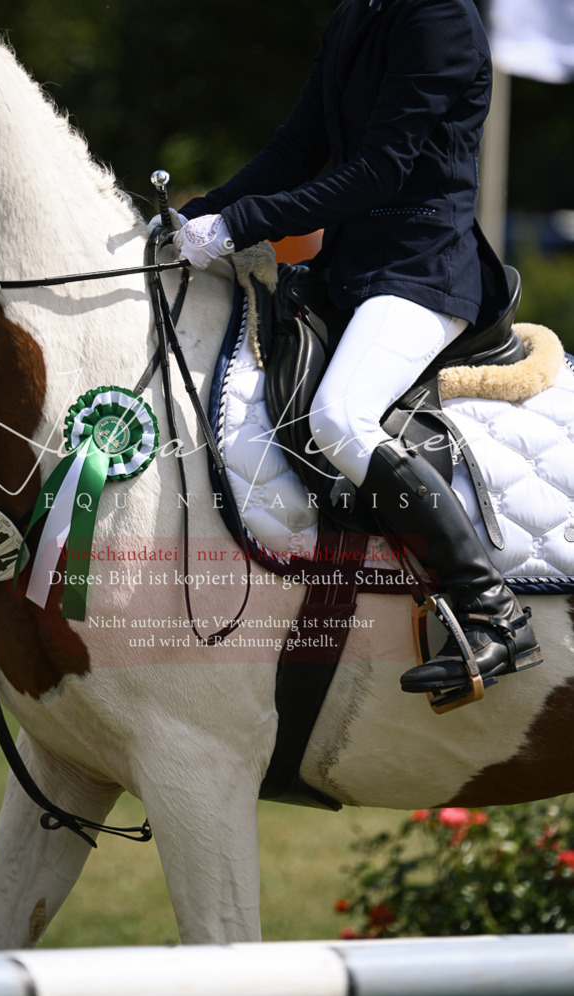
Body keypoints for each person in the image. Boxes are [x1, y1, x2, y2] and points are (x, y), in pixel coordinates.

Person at [172, 0, 541, 693]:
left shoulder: (440, 21)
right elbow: (298, 147)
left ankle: (493, 612)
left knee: (340, 416)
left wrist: (244, 222)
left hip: (423, 271)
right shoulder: (356, 15)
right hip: (350, 271)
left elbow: (379, 171)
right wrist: (195, 215)